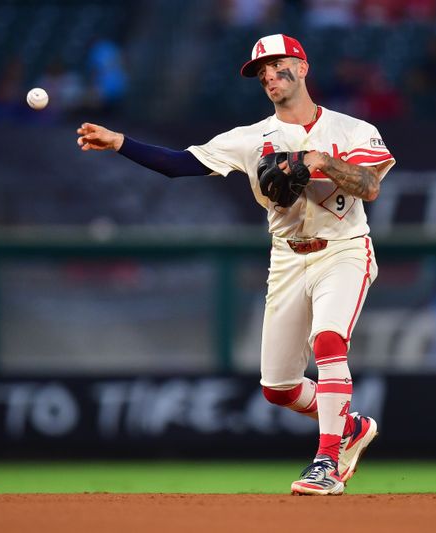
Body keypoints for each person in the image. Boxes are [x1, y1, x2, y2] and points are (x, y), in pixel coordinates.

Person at [76, 33, 395, 495]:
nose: (268, 75)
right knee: (279, 387)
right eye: (260, 71)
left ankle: (326, 462)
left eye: (277, 65)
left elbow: (369, 184)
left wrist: (318, 160)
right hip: (287, 257)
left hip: (343, 250)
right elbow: (178, 164)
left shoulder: (353, 130)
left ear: (302, 67)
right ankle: (350, 427)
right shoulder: (251, 139)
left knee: (328, 340)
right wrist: (120, 141)